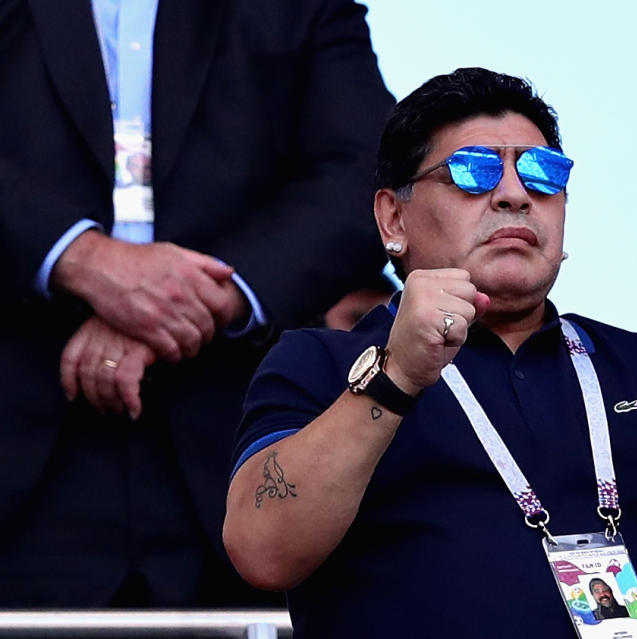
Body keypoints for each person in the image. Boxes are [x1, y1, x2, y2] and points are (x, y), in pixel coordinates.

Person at [223, 67, 637, 638]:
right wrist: (395, 377)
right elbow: (263, 551)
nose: (515, 194)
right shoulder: (320, 364)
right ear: (392, 218)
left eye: (542, 172)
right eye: (474, 171)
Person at [0, 0, 393, 607]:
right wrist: (79, 258)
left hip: (238, 455)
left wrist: (206, 295)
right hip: (21, 428)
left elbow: (368, 172)